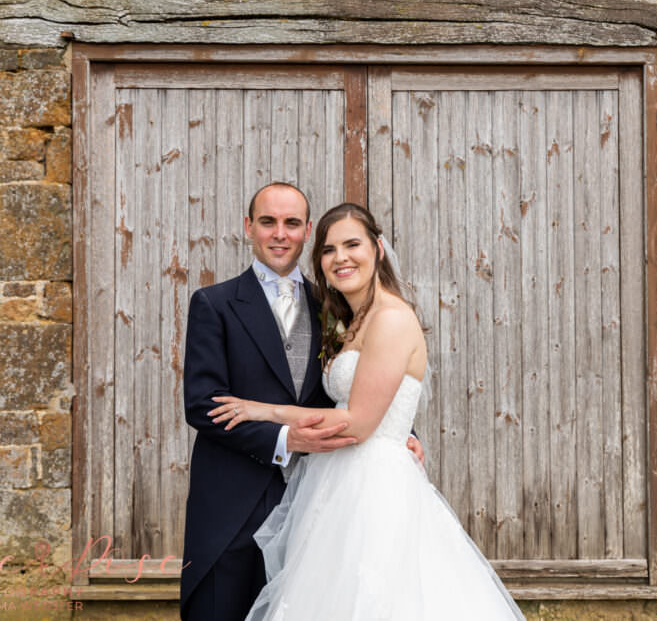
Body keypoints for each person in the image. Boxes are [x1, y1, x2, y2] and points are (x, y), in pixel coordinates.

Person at [208, 203, 526, 621]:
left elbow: (358, 422)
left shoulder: (392, 319)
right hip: (335, 480)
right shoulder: (349, 320)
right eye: (328, 249)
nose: (340, 258)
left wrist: (261, 410)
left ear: (378, 248)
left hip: (374, 486)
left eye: (352, 245)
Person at [180, 184, 423, 621]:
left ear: (307, 230)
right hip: (233, 501)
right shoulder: (214, 304)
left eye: (292, 223)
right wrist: (283, 437)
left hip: (321, 502)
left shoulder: (334, 305)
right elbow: (203, 405)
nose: (280, 234)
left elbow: (366, 384)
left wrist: (403, 431)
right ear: (248, 228)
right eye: (268, 222)